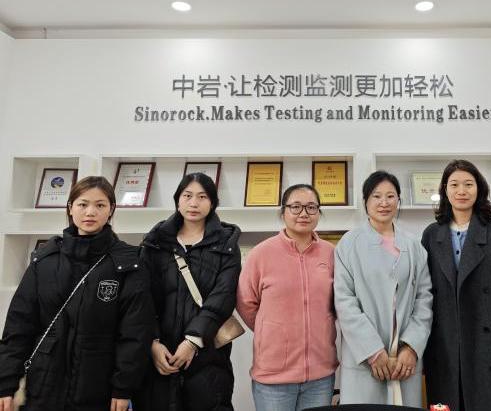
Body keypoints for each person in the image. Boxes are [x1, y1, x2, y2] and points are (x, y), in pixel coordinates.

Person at [0, 176, 154, 411]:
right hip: (43, 387)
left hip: (98, 388)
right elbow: (19, 327)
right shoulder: (45, 260)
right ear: (70, 208)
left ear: (111, 209)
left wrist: (123, 387)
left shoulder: (127, 262)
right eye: (83, 204)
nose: (90, 212)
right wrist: (6, 382)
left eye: (100, 205)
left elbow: (135, 333)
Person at [421, 160, 491, 411]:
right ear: (445, 190)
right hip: (446, 354)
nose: (461, 191)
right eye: (454, 185)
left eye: (468, 184)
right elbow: (423, 298)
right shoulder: (431, 235)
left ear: (479, 189)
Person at [134, 173, 242, 411]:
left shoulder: (226, 244)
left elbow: (223, 296)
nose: (194, 203)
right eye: (187, 196)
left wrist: (193, 342)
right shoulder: (155, 242)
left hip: (208, 356)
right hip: (160, 355)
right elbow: (141, 298)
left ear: (212, 203)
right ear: (177, 200)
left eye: (202, 197)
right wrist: (152, 343)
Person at [334, 170, 433, 406]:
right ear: (365, 201)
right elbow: (344, 302)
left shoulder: (414, 245)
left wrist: (411, 347)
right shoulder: (349, 244)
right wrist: (372, 351)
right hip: (365, 359)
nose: (384, 203)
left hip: (404, 361)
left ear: (399, 200)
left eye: (391, 196)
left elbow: (424, 300)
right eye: (376, 196)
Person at [236, 184, 338, 411]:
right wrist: (270, 329)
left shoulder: (331, 253)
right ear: (283, 212)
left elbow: (338, 302)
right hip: (274, 376)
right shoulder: (261, 254)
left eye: (311, 207)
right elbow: (246, 302)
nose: (304, 213)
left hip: (320, 374)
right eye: (296, 207)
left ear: (319, 212)